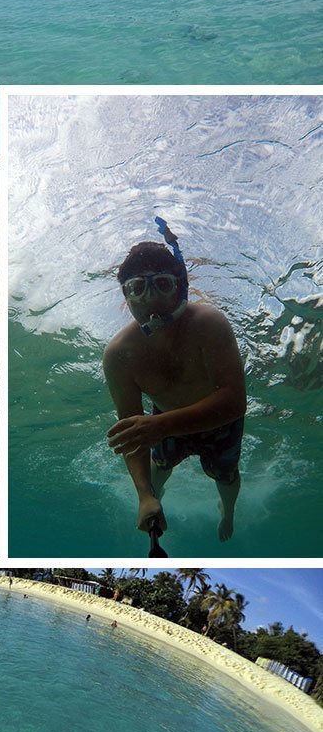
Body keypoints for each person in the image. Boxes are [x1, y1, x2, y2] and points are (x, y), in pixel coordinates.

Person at [103, 221, 246, 542]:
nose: (150, 299)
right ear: (126, 296)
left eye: (163, 285)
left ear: (180, 288)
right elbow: (131, 430)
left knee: (225, 477)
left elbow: (235, 401)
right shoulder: (119, 354)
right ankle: (154, 499)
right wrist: (143, 496)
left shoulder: (209, 323)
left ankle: (229, 513)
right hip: (163, 423)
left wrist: (160, 426)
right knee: (158, 471)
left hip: (219, 422)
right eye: (137, 288)